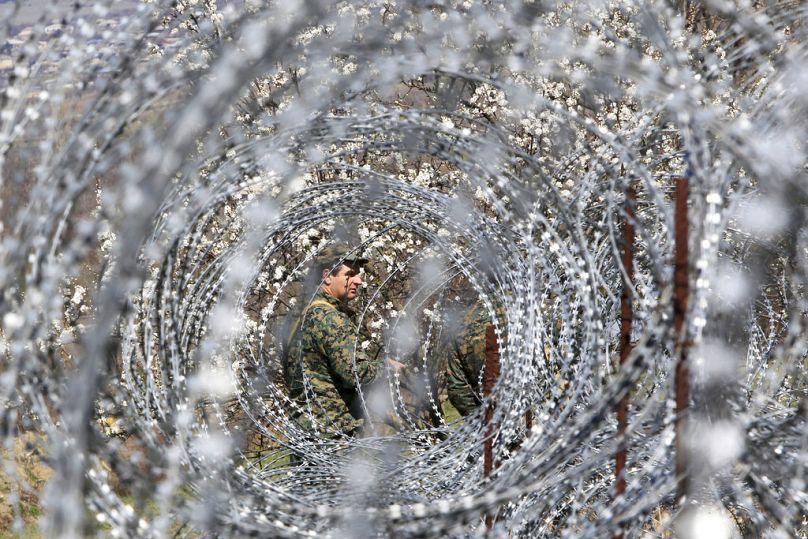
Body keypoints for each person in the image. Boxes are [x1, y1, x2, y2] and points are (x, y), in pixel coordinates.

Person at [283, 246, 403, 438]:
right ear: (327, 276)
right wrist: (387, 367)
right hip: (333, 430)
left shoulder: (298, 317)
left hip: (304, 429)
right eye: (350, 274)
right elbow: (356, 373)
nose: (359, 280)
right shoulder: (329, 318)